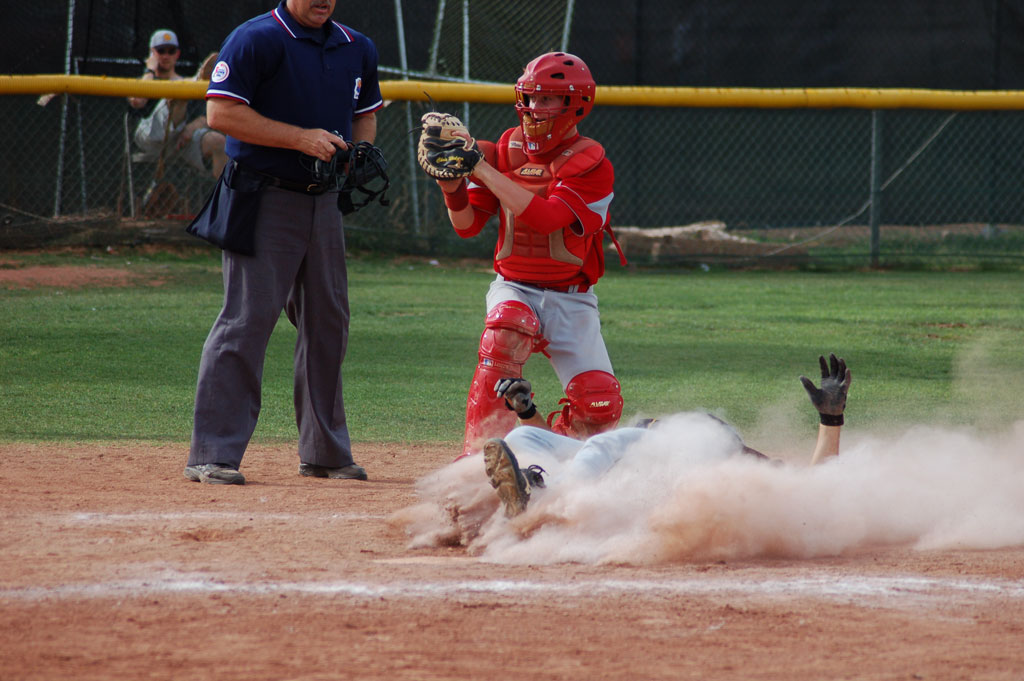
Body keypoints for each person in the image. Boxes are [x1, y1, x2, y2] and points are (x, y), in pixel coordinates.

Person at [183, 0, 384, 485]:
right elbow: (221, 113)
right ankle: (212, 454)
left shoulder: (356, 46)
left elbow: (364, 113)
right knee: (246, 321)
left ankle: (324, 452)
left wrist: (357, 153)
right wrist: (300, 139)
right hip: (262, 196)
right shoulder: (257, 38)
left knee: (328, 323)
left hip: (324, 202)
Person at [428, 52, 627, 459]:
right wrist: (451, 188)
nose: (535, 108)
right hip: (515, 286)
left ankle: (551, 453)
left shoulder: (592, 164)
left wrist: (480, 169)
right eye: (530, 97)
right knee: (507, 329)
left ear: (575, 105)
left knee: (599, 405)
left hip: (572, 298)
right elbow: (466, 226)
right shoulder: (504, 151)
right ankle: (478, 458)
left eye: (547, 99)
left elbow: (547, 218)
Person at [483, 354, 852, 518]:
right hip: (628, 468)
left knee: (599, 446)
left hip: (655, 467)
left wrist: (830, 419)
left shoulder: (733, 459)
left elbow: (814, 490)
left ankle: (540, 496)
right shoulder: (618, 453)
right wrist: (526, 410)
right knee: (524, 440)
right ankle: (534, 487)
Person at [128, 29, 228, 180]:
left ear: (177, 54)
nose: (166, 55)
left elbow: (205, 116)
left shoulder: (183, 81)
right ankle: (195, 81)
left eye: (171, 51)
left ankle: (225, 193)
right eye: (161, 51)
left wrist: (191, 128)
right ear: (151, 53)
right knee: (178, 92)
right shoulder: (142, 80)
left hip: (179, 142)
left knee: (218, 141)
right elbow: (137, 101)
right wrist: (150, 70)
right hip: (150, 140)